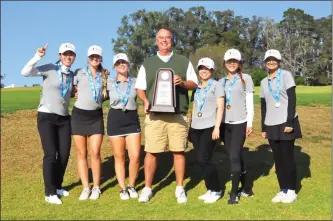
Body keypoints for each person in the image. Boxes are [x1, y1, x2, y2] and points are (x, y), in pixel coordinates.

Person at [135, 27, 199, 204]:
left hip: (178, 114)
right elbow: (140, 88)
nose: (164, 40)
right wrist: (145, 101)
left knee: (179, 151)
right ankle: (147, 188)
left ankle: (179, 188)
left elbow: (195, 83)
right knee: (151, 152)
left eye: (167, 38)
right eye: (161, 38)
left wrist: (183, 83)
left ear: (172, 40)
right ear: (156, 41)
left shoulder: (183, 61)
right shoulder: (148, 63)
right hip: (155, 115)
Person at [21, 43, 76, 204]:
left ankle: (57, 185)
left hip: (64, 118)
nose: (68, 57)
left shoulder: (71, 74)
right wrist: (38, 56)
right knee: (50, 154)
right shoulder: (50, 68)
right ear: (60, 56)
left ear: (74, 57)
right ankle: (49, 192)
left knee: (64, 154)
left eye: (71, 54)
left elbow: (69, 92)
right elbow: (25, 72)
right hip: (46, 116)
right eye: (65, 54)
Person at [260, 49, 302, 204]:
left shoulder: (286, 76)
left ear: (279, 61)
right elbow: (263, 107)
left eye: (274, 59)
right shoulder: (264, 82)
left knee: (287, 158)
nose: (271, 62)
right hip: (271, 124)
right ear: (265, 62)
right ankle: (283, 189)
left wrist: (290, 122)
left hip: (286, 122)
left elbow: (292, 99)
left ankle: (291, 191)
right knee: (278, 159)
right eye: (268, 59)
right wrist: (263, 128)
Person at [71, 45, 109, 200]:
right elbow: (70, 88)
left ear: (100, 58)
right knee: (81, 153)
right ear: (88, 58)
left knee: (95, 152)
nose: (95, 58)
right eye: (92, 56)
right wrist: (74, 92)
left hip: (96, 116)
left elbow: (107, 94)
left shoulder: (105, 75)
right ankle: (86, 187)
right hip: (79, 116)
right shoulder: (78, 72)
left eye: (97, 56)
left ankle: (96, 187)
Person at [218, 48, 254, 204]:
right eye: (229, 61)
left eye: (235, 61)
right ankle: (246, 187)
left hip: (240, 122)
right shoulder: (221, 81)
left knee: (233, 156)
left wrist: (250, 122)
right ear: (225, 64)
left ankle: (234, 193)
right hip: (225, 124)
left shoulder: (246, 78)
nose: (232, 64)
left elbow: (250, 103)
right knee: (236, 155)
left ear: (239, 63)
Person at [189, 58, 224, 203]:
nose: (203, 71)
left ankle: (216, 190)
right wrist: (190, 127)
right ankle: (210, 188)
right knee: (201, 159)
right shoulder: (196, 88)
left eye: (207, 68)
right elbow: (194, 108)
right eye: (201, 68)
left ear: (212, 70)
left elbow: (220, 107)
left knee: (204, 158)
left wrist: (217, 127)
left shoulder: (217, 86)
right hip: (196, 127)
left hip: (210, 126)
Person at [106, 53, 141, 200]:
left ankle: (132, 185)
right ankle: (122, 188)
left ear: (128, 63)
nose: (122, 64)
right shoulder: (108, 82)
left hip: (132, 118)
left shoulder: (136, 81)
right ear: (114, 66)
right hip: (115, 119)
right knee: (119, 156)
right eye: (118, 62)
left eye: (124, 62)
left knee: (135, 156)